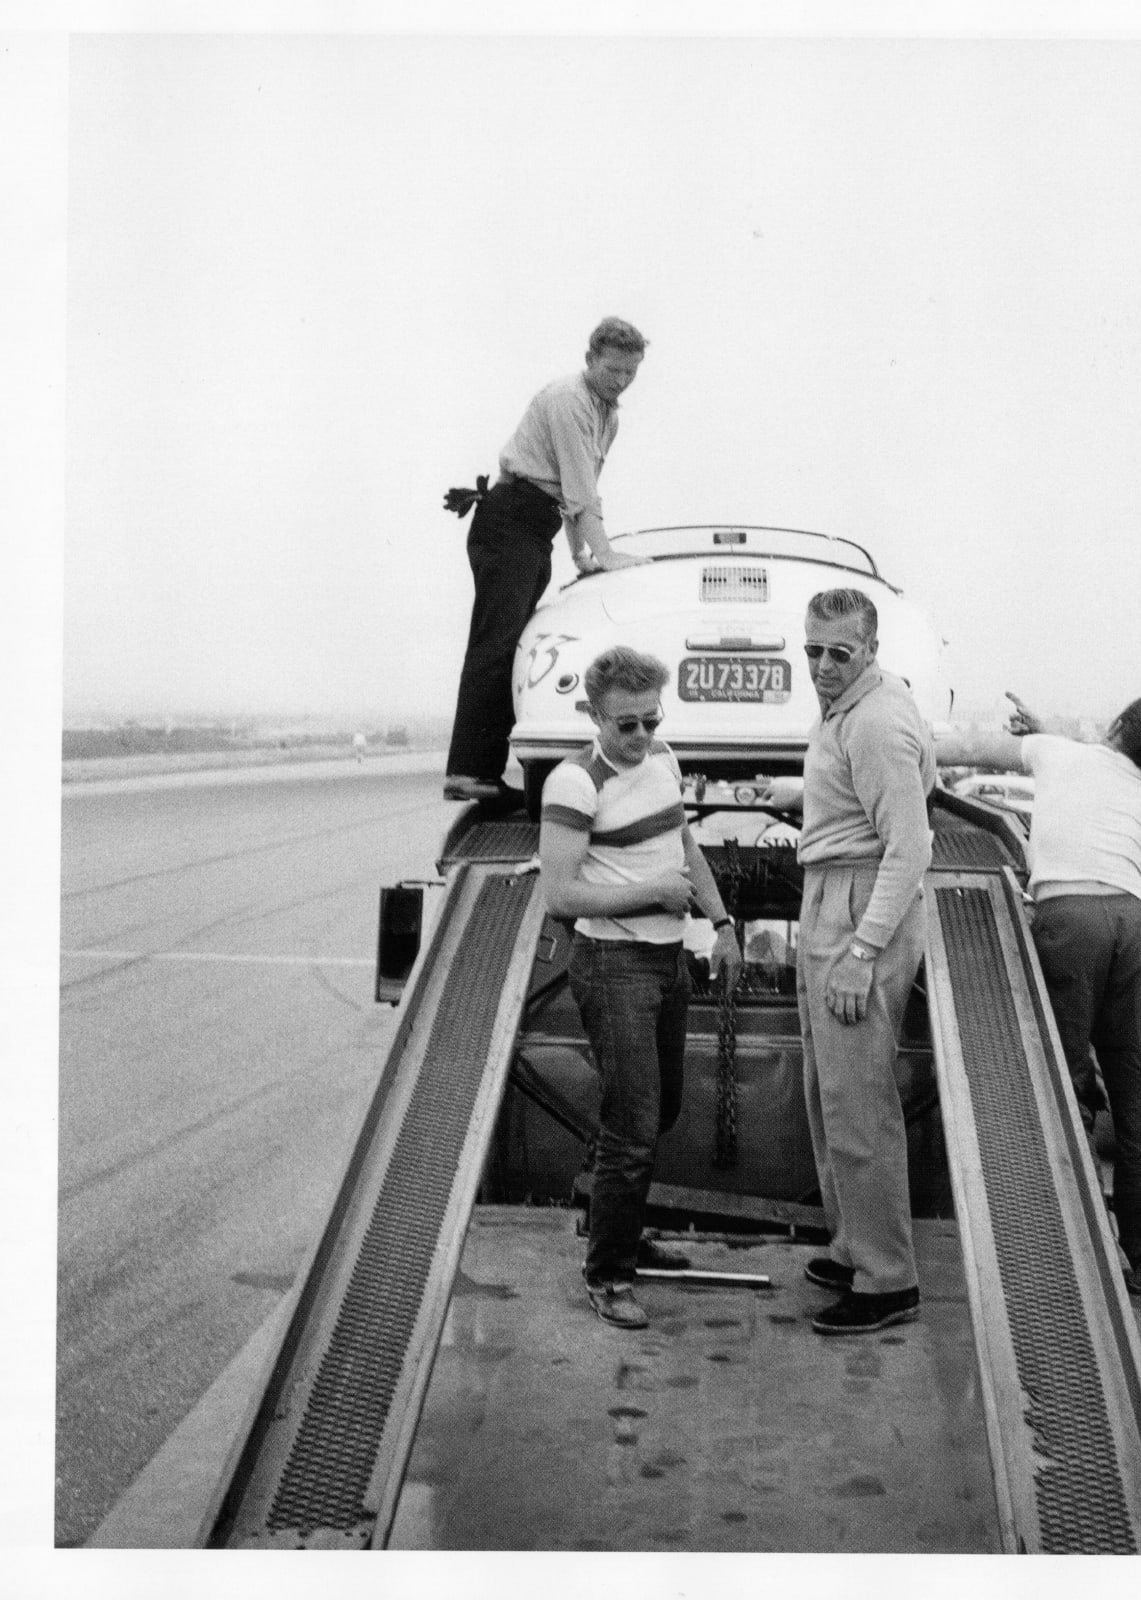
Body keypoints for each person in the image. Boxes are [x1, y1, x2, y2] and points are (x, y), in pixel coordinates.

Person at [939, 692, 1141, 1294]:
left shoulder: (1059, 755)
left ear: (1116, 723)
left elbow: (959, 749)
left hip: (1068, 917)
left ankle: (1059, 1244)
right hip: (1133, 923)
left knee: (1056, 1080)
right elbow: (1094, 772)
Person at [539, 646, 741, 1330]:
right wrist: (654, 894)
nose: (640, 735)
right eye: (625, 724)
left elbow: (685, 849)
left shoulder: (663, 759)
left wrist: (722, 922)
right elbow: (560, 894)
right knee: (633, 1126)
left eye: (650, 719)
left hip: (666, 962)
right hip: (612, 965)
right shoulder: (574, 782)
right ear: (593, 716)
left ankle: (609, 1220)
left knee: (659, 1110)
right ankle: (610, 1274)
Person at [794, 590, 936, 1336]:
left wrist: (860, 951)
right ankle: (855, 1244)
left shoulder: (876, 721)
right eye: (812, 648)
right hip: (832, 887)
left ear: (870, 648)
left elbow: (912, 846)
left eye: (838, 653)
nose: (821, 665)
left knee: (858, 1101)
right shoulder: (846, 706)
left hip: (859, 903)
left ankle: (887, 1279)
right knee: (829, 1091)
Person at [443, 317, 651, 803]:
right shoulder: (567, 401)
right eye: (612, 370)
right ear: (590, 359)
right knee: (496, 644)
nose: (619, 381)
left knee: (512, 644)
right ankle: (468, 771)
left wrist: (583, 556)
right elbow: (580, 488)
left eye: (629, 373)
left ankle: (481, 770)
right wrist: (607, 554)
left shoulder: (608, 415)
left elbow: (581, 491)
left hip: (538, 528)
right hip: (509, 518)